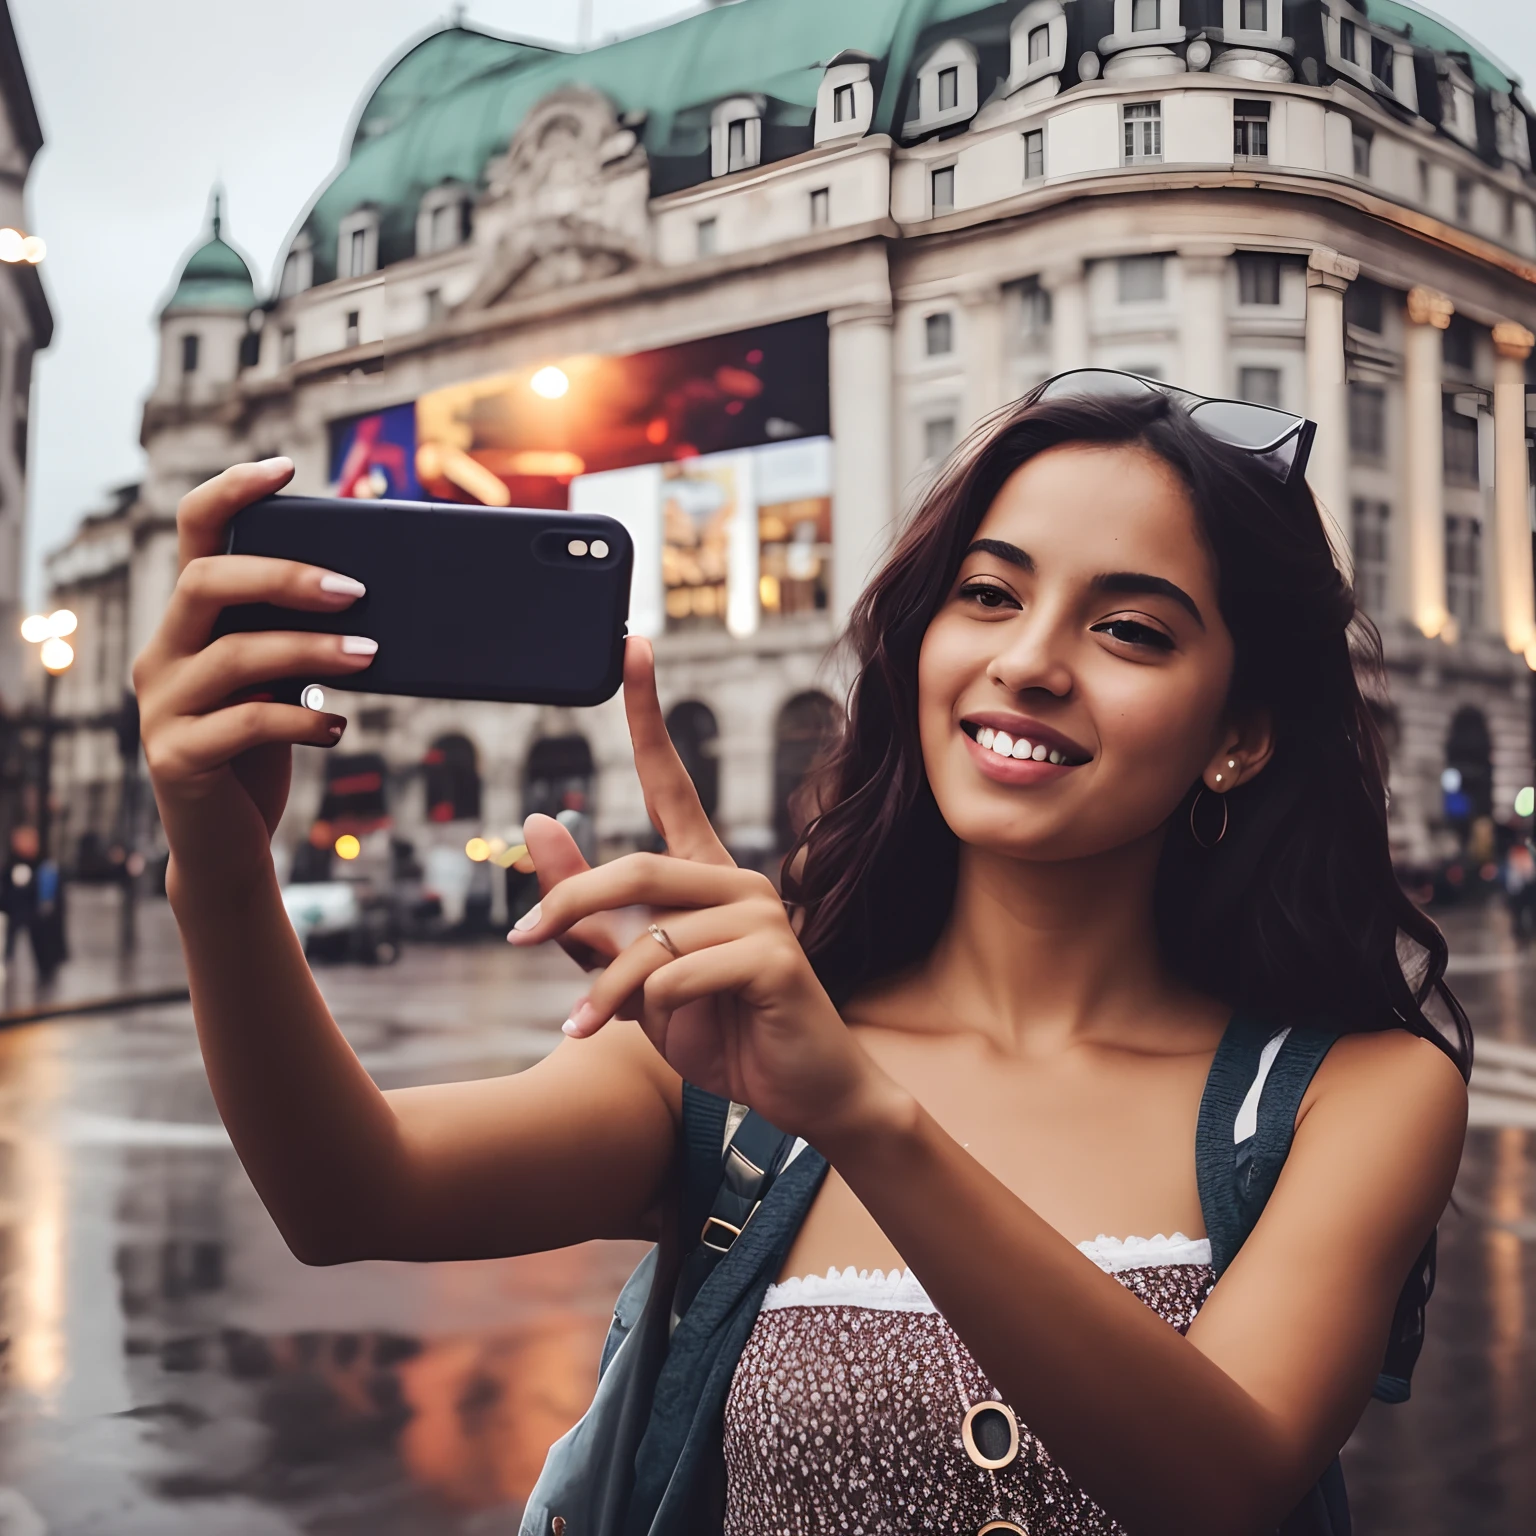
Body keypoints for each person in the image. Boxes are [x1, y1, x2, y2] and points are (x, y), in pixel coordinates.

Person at [134, 378, 1468, 1536]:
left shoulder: (1353, 1093)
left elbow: (1220, 1490)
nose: (1029, 661)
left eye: (1130, 629)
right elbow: (347, 1196)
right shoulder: (735, 1068)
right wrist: (221, 860)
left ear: (1239, 733)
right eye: (989, 594)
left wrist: (859, 1112)